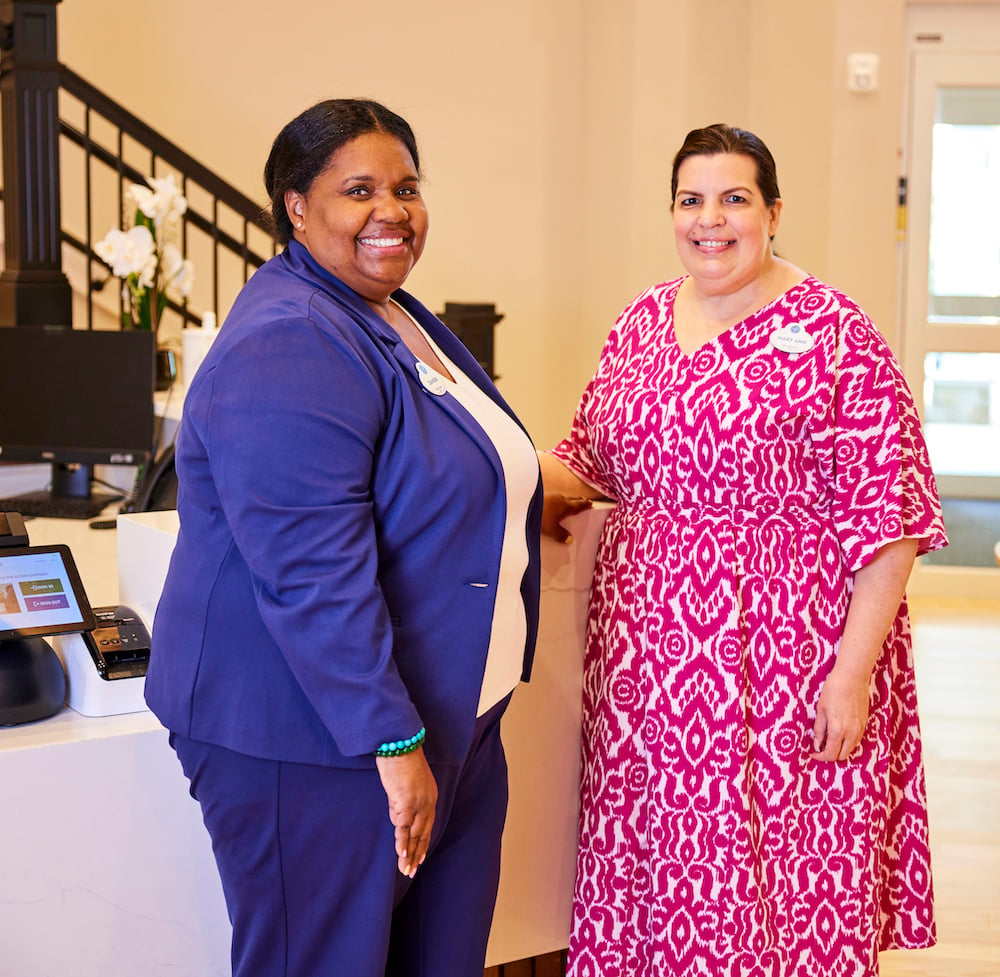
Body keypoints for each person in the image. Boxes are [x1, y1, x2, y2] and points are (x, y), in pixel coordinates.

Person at [144, 98, 543, 977]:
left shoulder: (387, 309)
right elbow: (312, 570)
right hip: (317, 738)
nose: (391, 209)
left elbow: (428, 462)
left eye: (406, 186)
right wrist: (393, 745)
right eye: (358, 189)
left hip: (447, 721)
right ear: (296, 205)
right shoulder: (289, 337)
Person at [540, 123, 947, 977]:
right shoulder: (642, 322)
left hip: (787, 657)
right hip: (649, 663)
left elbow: (894, 516)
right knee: (654, 868)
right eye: (692, 200)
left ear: (772, 212)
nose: (710, 220)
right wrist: (469, 462)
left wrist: (853, 673)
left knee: (782, 885)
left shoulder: (838, 334)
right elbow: (582, 460)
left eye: (734, 199)